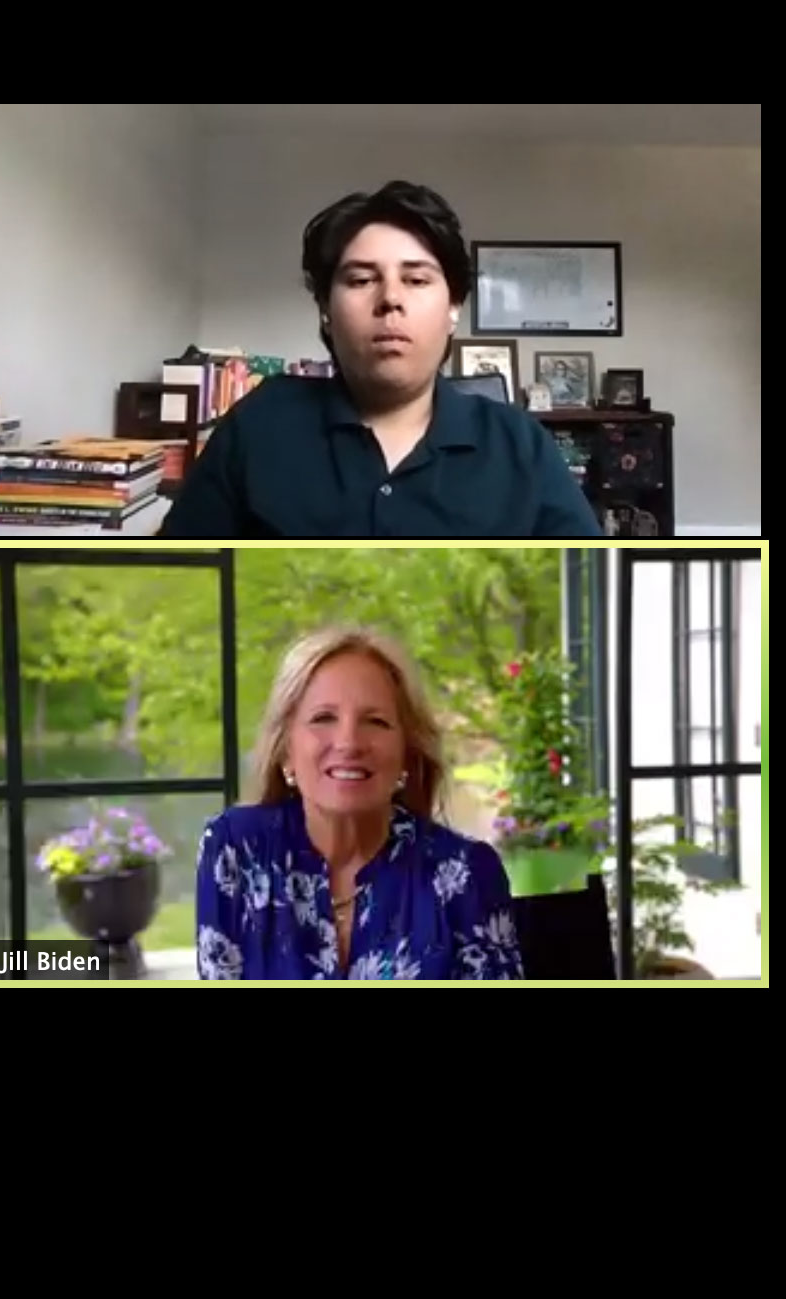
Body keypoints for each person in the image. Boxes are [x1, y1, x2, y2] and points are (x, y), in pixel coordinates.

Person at [159, 181, 602, 538]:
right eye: (362, 279)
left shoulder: (519, 445)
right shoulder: (258, 425)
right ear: (326, 311)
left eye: (415, 279)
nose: (390, 299)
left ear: (454, 308)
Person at [195, 626, 526, 979]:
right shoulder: (236, 849)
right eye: (324, 718)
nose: (349, 742)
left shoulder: (467, 872)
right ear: (286, 750)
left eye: (376, 722)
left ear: (406, 754)